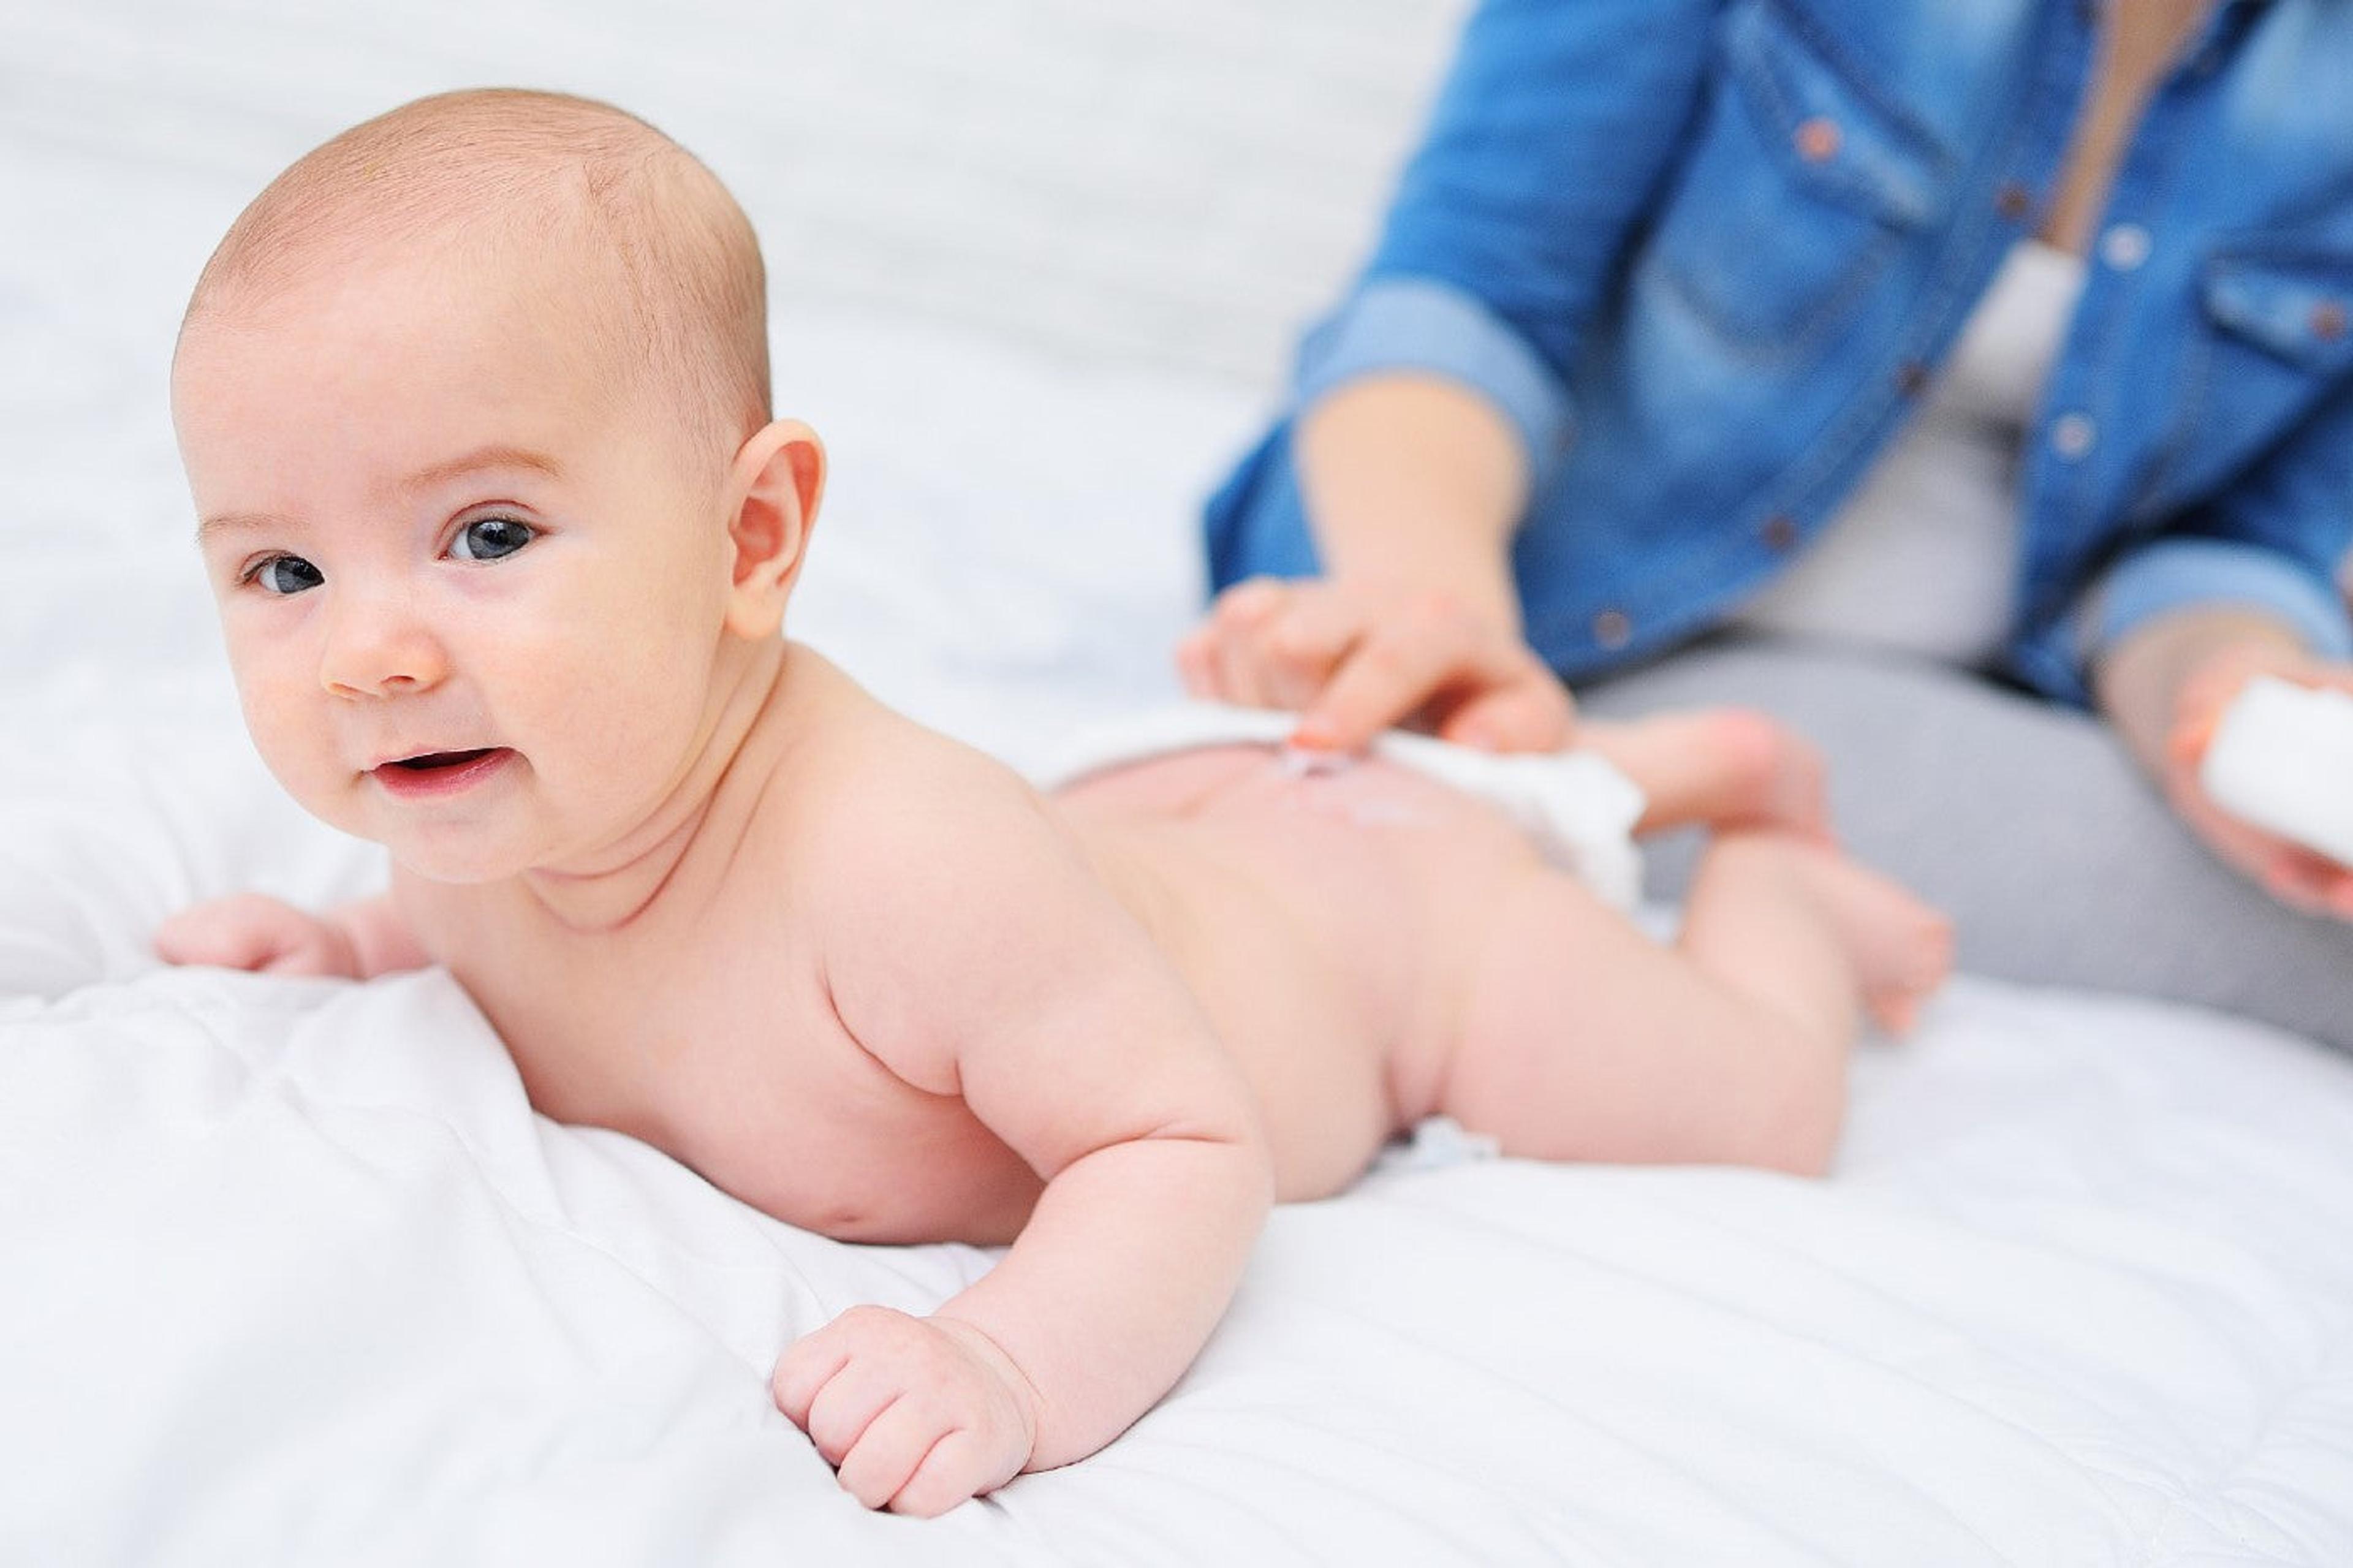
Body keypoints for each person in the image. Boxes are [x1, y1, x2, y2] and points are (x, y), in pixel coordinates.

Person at [153, 90, 1950, 1515]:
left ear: (751, 538)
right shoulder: (482, 800)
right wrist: (342, 942)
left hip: (1400, 932)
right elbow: (483, 937)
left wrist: (1011, 1367)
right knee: (1401, 799)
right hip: (1181, 821)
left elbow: (1184, 1148)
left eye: (486, 537)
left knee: (1747, 1106)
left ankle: (1773, 872)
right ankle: (1627, 774)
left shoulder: (899, 868)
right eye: (282, 572)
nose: (365, 656)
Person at [1186, 0, 2353, 1048]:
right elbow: (1470, 290)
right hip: (1543, 628)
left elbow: (2231, 543)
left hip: (1949, 688)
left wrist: (2235, 700)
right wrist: (1431, 618)